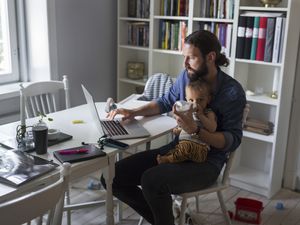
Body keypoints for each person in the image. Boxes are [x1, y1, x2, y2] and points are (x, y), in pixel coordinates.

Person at [101, 30, 246, 225]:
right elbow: (165, 102)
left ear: (211, 57)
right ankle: (167, 220)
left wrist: (196, 130)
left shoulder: (232, 92)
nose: (185, 63)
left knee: (152, 180)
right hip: (176, 150)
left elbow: (231, 141)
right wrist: (132, 112)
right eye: (184, 57)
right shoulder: (186, 77)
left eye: (191, 58)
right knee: (111, 177)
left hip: (206, 163)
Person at [157, 79, 217, 164]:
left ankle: (168, 160)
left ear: (208, 99)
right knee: (176, 149)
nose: (195, 104)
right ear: (186, 100)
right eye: (191, 100)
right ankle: (170, 157)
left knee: (186, 148)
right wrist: (179, 130)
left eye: (200, 100)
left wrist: (201, 116)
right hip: (183, 143)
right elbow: (186, 127)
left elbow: (212, 128)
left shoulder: (208, 113)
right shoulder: (187, 112)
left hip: (199, 147)